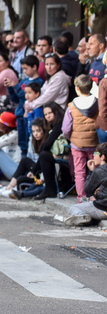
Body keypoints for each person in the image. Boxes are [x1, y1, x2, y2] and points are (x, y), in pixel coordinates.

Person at [64, 74, 99, 202]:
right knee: (95, 170)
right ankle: (95, 197)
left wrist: (71, 138)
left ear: (77, 88)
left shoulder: (72, 106)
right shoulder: (97, 103)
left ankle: (81, 198)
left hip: (77, 144)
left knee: (80, 172)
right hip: (94, 142)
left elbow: (66, 127)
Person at [56, 143, 107, 227]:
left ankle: (83, 217)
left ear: (102, 157)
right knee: (87, 200)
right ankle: (90, 219)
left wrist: (91, 171)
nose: (93, 156)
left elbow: (87, 190)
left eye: (96, 153)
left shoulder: (99, 171)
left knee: (74, 208)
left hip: (102, 208)